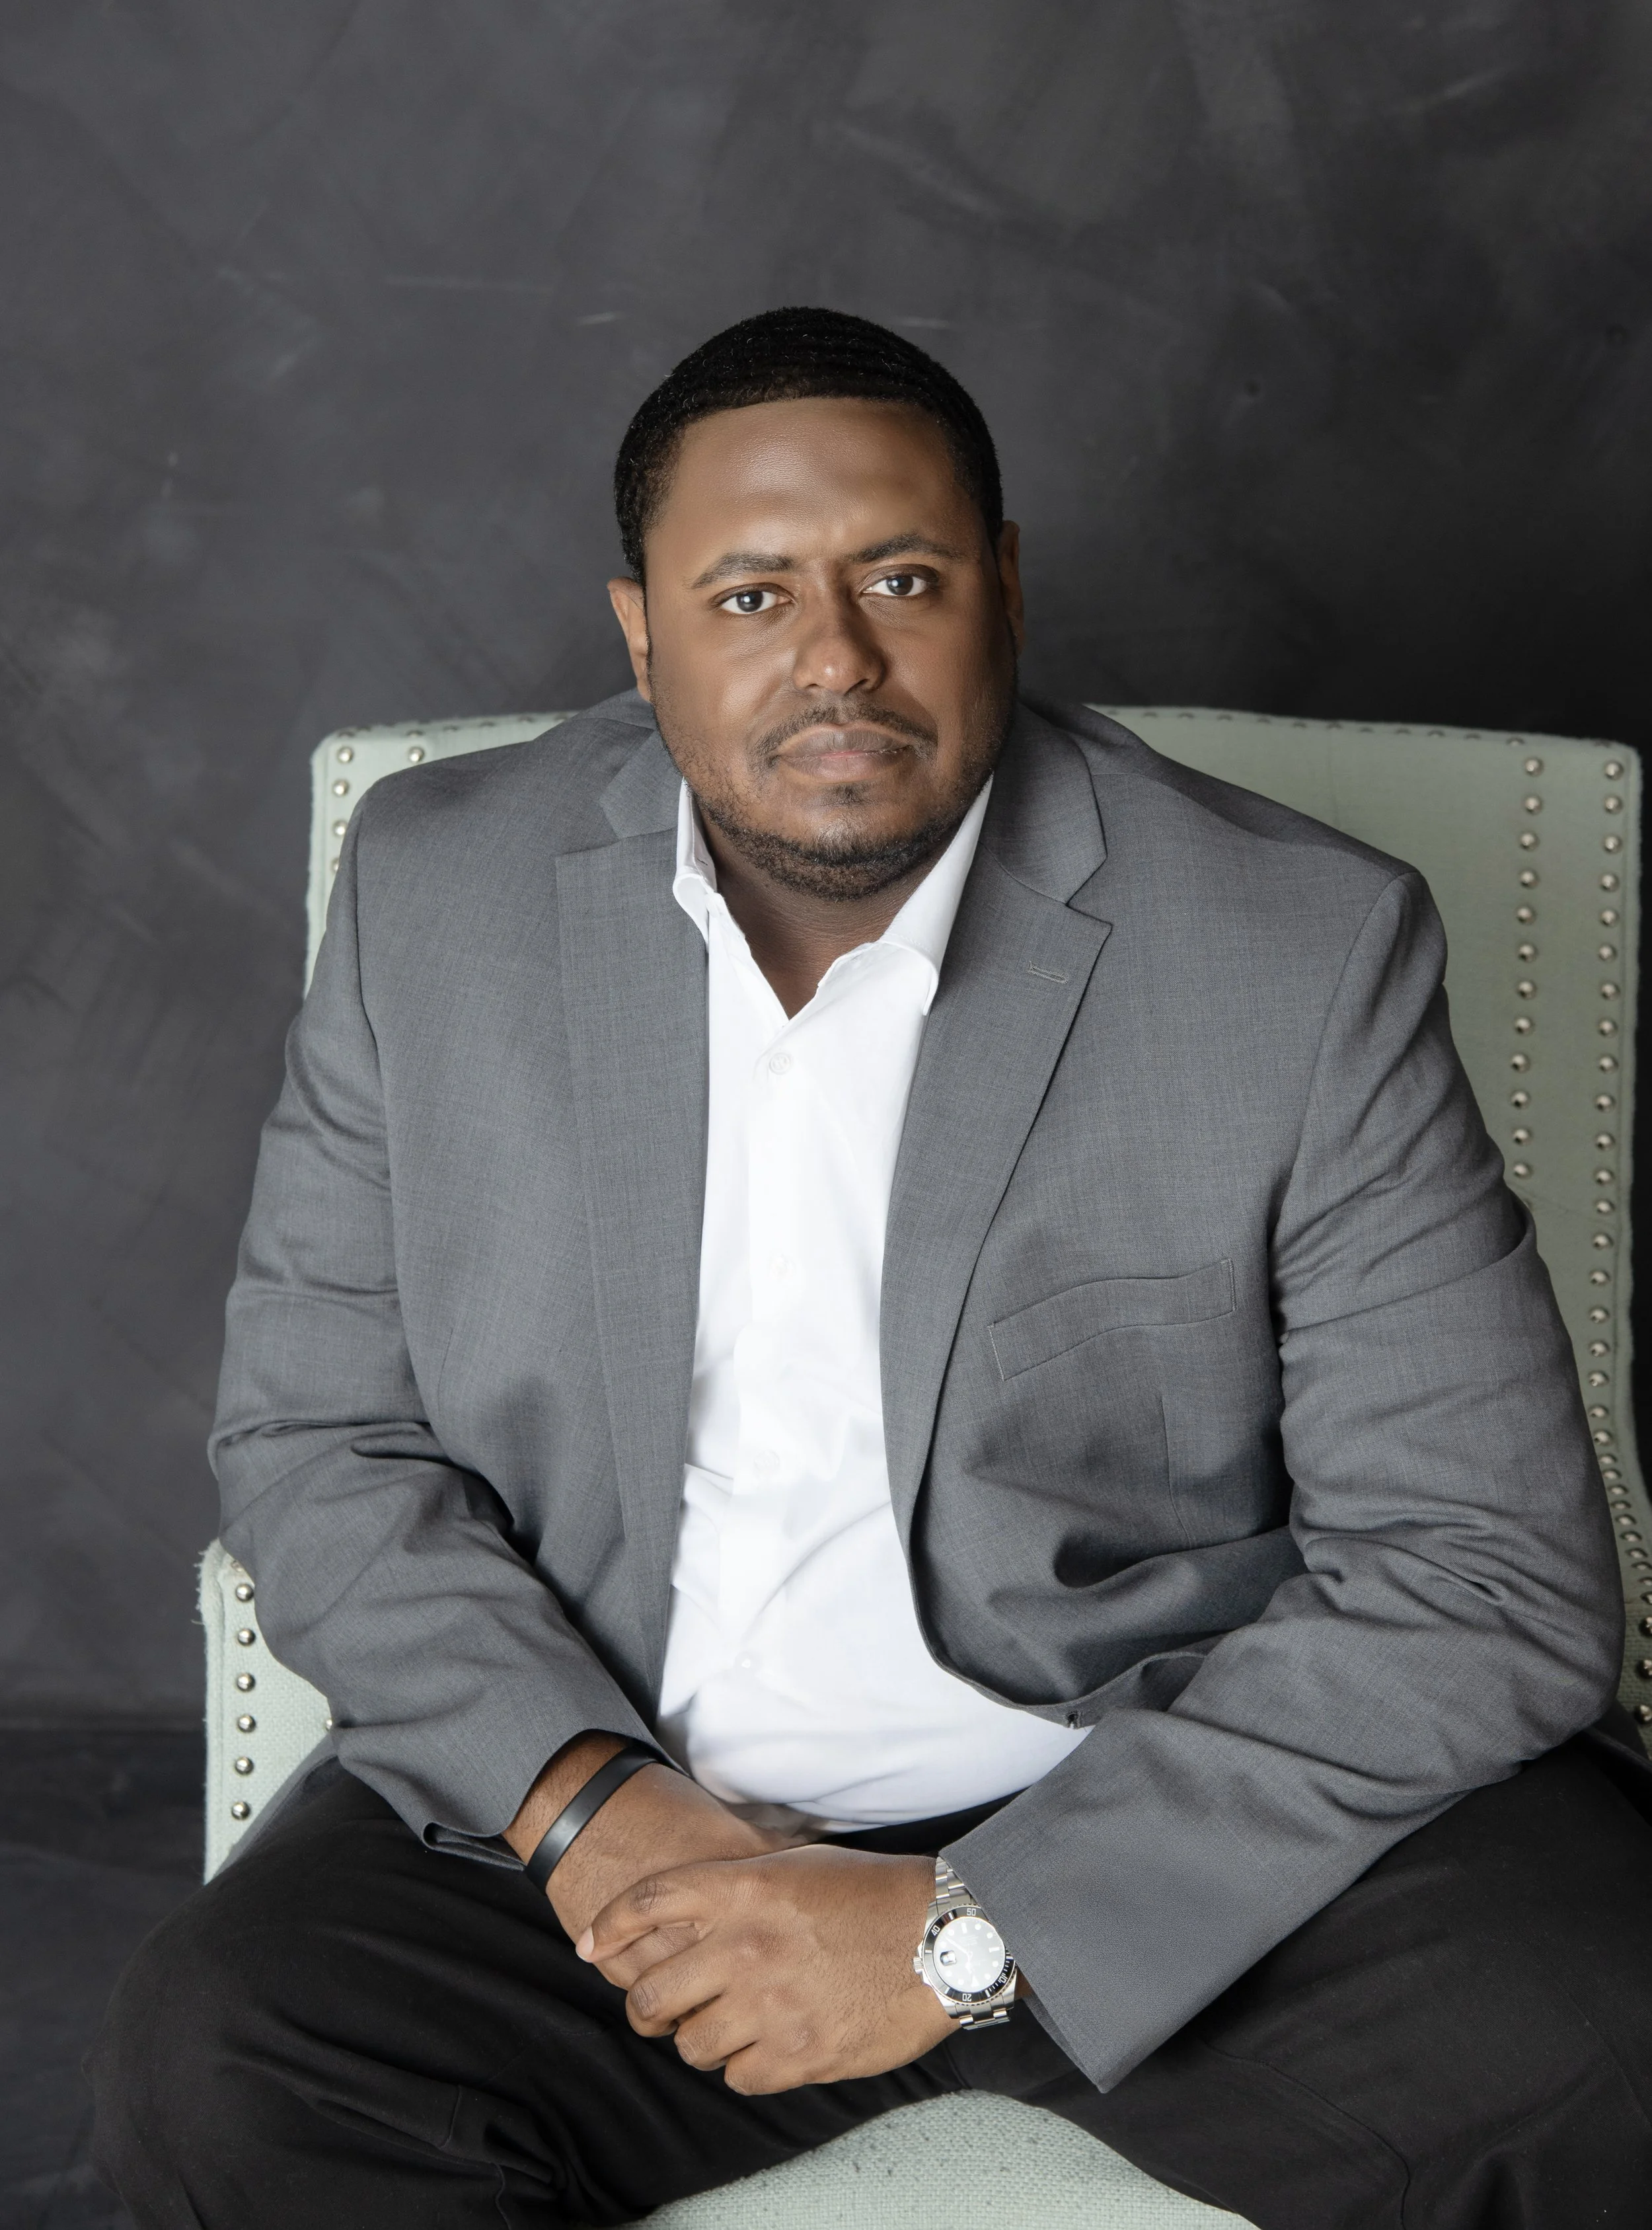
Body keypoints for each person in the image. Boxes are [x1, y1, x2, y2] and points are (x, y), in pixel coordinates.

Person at [91, 307, 1652, 2228]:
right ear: (638, 633)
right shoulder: (438, 895)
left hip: (1160, 1816)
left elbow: (1486, 1574)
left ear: (1000, 587)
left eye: (898, 577)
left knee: (1609, 2028)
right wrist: (588, 1798)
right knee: (224, 2060)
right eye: (748, 594)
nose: (833, 659)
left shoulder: (1292, 950)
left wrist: (962, 1931)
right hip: (626, 1822)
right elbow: (320, 1437)